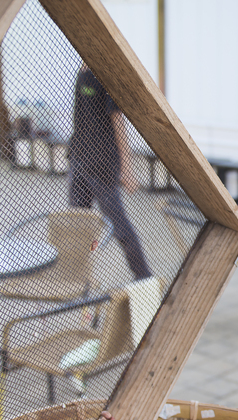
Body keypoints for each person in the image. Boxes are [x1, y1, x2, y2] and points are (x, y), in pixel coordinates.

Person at [68, 64, 152, 280]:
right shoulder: (82, 72)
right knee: (77, 225)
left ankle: (144, 277)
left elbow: (118, 122)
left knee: (119, 226)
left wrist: (127, 169)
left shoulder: (107, 74)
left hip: (102, 165)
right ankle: (77, 277)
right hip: (79, 160)